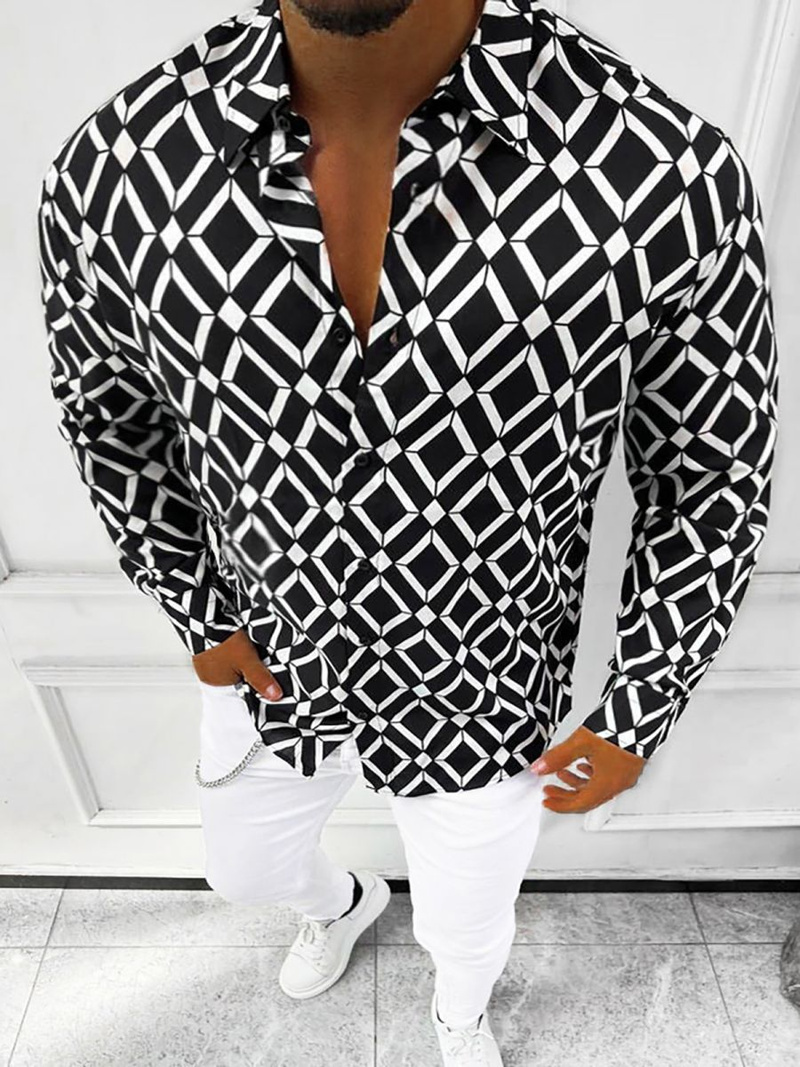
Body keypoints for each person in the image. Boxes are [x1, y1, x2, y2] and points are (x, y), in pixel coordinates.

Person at [36, 1, 779, 1062]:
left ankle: (459, 1013)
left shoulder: (658, 171)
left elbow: (707, 471)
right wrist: (195, 607)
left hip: (481, 683)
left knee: (466, 923)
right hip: (271, 655)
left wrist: (639, 701)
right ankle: (341, 903)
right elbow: (113, 421)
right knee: (242, 868)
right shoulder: (124, 167)